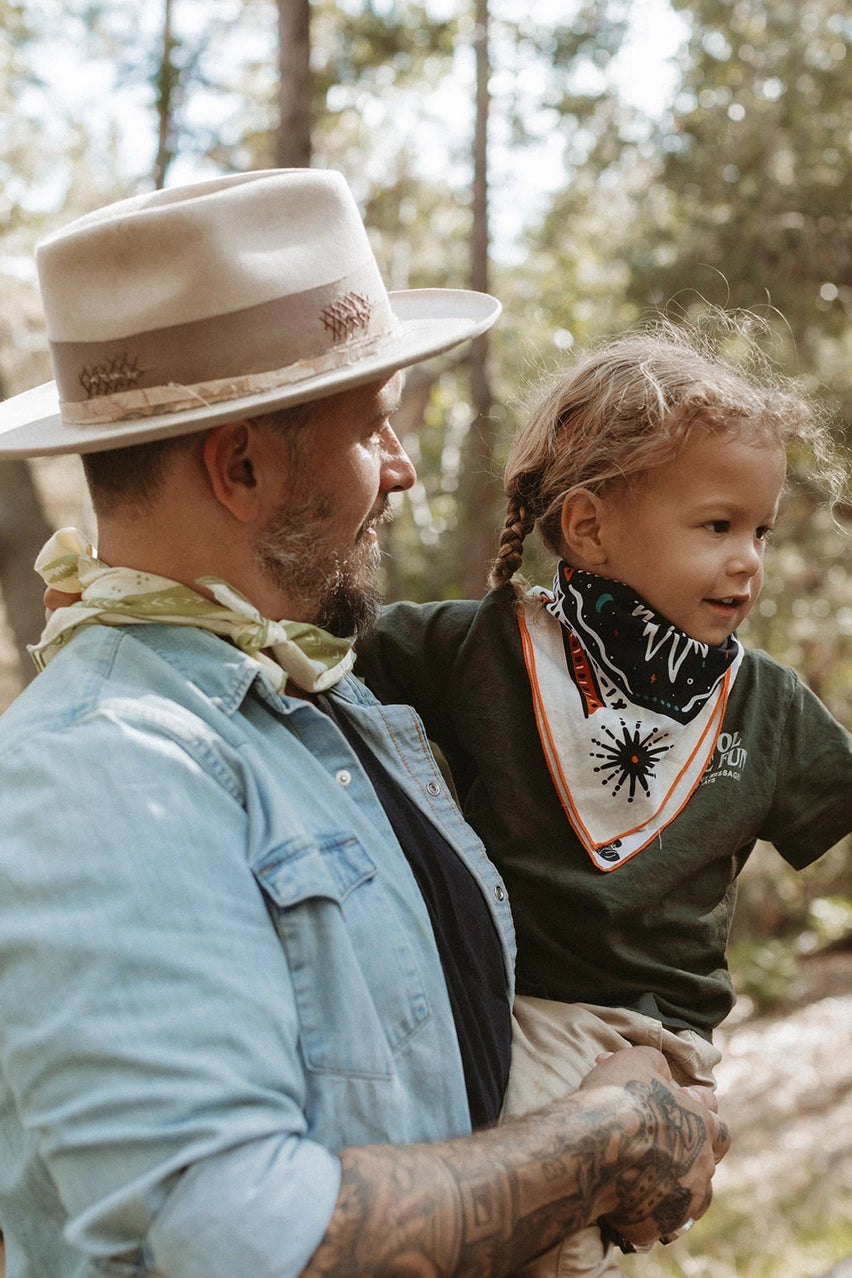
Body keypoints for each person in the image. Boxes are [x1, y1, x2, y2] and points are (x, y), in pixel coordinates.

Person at [0, 171, 727, 1278]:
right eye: (374, 428)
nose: (402, 470)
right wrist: (607, 1144)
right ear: (241, 466)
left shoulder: (325, 706)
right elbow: (238, 1238)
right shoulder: (106, 768)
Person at [357, 319, 852, 1276]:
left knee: (537, 1224)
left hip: (646, 1026)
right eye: (717, 526)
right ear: (588, 528)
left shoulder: (767, 704)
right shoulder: (481, 650)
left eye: (760, 530)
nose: (749, 560)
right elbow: (305, 639)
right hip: (500, 1008)